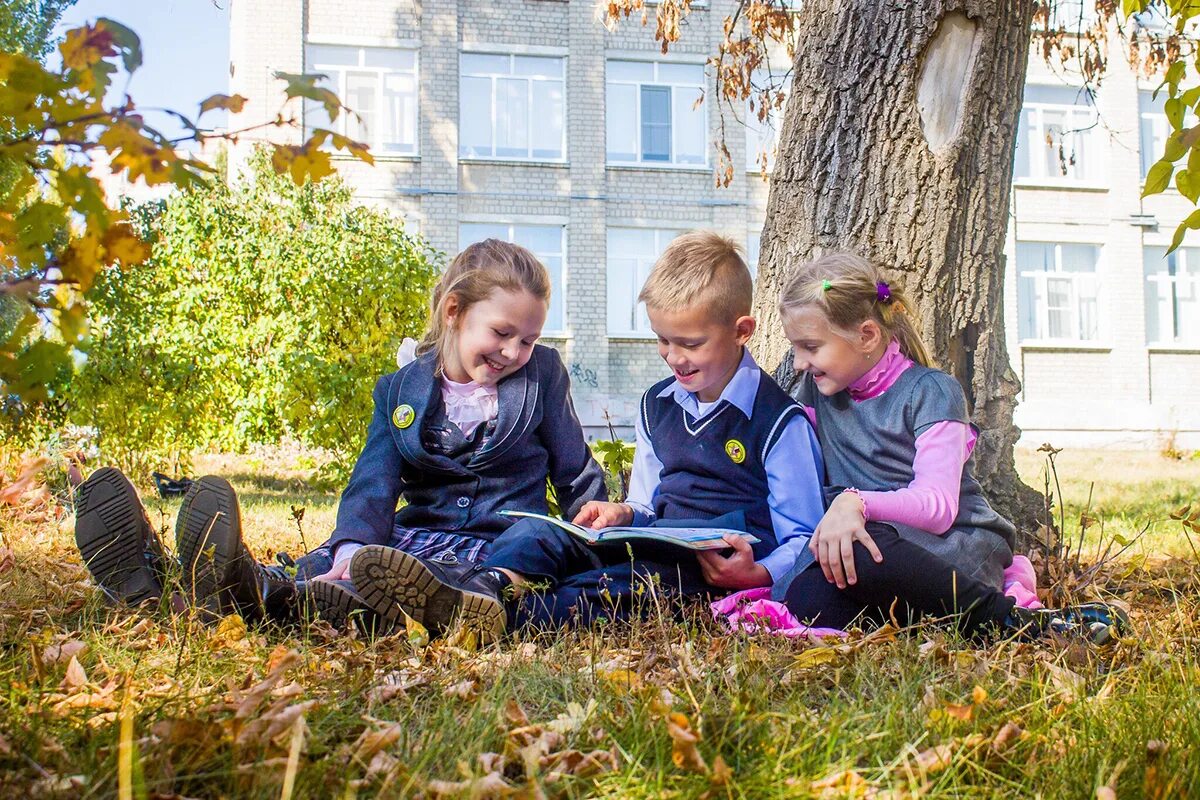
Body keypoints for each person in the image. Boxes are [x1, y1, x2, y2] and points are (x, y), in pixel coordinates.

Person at [73, 239, 607, 631]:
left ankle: (437, 600)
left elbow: (573, 466)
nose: (514, 352)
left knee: (538, 537)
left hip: (497, 545)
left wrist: (598, 526)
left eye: (529, 339)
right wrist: (351, 547)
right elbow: (374, 479)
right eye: (502, 333)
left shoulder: (542, 375)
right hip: (408, 542)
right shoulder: (400, 389)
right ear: (454, 313)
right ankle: (184, 578)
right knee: (339, 563)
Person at [347, 231, 827, 642]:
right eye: (662, 340)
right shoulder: (657, 404)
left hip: (707, 565)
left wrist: (760, 573)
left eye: (690, 344)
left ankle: (500, 620)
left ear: (742, 331)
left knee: (620, 586)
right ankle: (483, 588)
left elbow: (804, 535)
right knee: (541, 533)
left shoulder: (779, 422)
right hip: (654, 536)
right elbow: (646, 503)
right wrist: (620, 512)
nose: (673, 357)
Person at [770, 252, 1126, 642]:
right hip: (872, 546)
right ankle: (948, 619)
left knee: (860, 549)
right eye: (796, 348)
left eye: (810, 347)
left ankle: (1013, 621)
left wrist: (855, 502)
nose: (800, 363)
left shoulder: (931, 392)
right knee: (805, 597)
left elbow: (938, 506)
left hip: (948, 544)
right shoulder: (818, 392)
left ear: (867, 336)